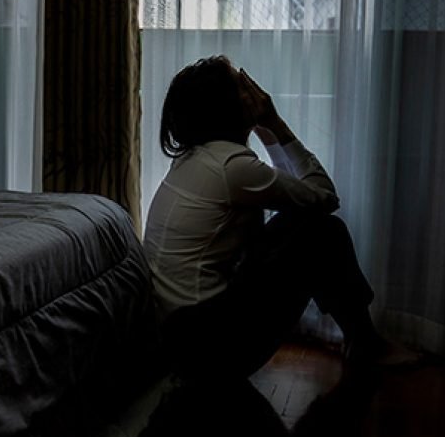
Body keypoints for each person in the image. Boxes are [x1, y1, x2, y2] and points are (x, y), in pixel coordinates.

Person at [143, 55, 419, 381]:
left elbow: (300, 197)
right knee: (323, 231)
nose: (255, 92)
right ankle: (366, 343)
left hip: (181, 336)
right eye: (242, 86)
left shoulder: (197, 159)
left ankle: (363, 340)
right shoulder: (231, 167)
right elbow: (325, 196)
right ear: (229, 105)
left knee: (302, 223)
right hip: (208, 347)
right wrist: (273, 123)